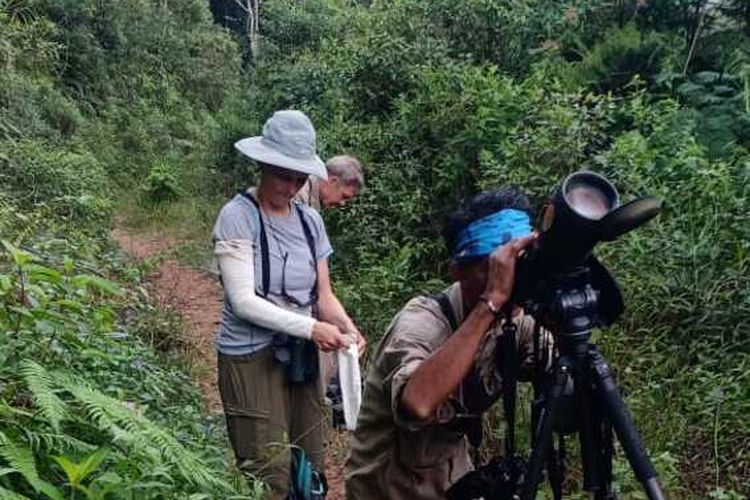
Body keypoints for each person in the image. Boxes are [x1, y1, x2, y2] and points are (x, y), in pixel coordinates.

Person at [345, 187, 548, 499]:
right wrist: (490, 302)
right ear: (457, 271)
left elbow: (565, 373)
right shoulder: (420, 323)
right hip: (388, 489)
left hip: (453, 479)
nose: (508, 279)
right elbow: (419, 403)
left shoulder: (515, 324)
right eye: (493, 268)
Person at [212, 109, 365, 499]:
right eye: (283, 173)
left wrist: (346, 327)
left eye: (299, 177)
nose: (291, 184)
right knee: (268, 468)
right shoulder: (238, 217)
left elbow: (323, 295)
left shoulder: (310, 222)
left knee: (309, 456)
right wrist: (312, 328)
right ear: (262, 163)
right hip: (250, 353)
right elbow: (243, 301)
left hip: (299, 353)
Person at [295, 154, 366, 394]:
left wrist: (346, 325)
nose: (343, 204)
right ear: (332, 180)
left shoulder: (310, 201)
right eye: (344, 196)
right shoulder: (299, 199)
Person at [295, 155, 364, 210]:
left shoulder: (310, 197)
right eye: (344, 196)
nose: (342, 203)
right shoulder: (299, 195)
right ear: (333, 181)